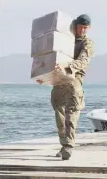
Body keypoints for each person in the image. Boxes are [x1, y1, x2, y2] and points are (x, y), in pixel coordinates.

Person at [36, 14, 95, 160]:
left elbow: (83, 62)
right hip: (58, 81)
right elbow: (48, 56)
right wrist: (43, 75)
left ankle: (68, 145)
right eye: (80, 27)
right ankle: (64, 145)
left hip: (74, 80)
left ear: (89, 28)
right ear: (75, 26)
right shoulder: (64, 40)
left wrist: (66, 66)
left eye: (85, 28)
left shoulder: (88, 43)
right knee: (59, 116)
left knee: (72, 114)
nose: (82, 30)